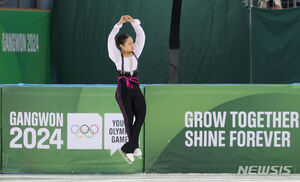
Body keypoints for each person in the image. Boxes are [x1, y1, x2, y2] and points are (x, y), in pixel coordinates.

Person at [107, 15, 146, 164]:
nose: (133, 45)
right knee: (129, 119)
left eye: (132, 42)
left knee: (141, 116)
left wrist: (133, 22)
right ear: (121, 46)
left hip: (135, 87)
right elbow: (110, 40)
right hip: (123, 90)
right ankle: (134, 146)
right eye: (129, 43)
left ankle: (129, 147)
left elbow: (141, 35)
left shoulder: (137, 53)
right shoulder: (116, 56)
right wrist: (118, 25)